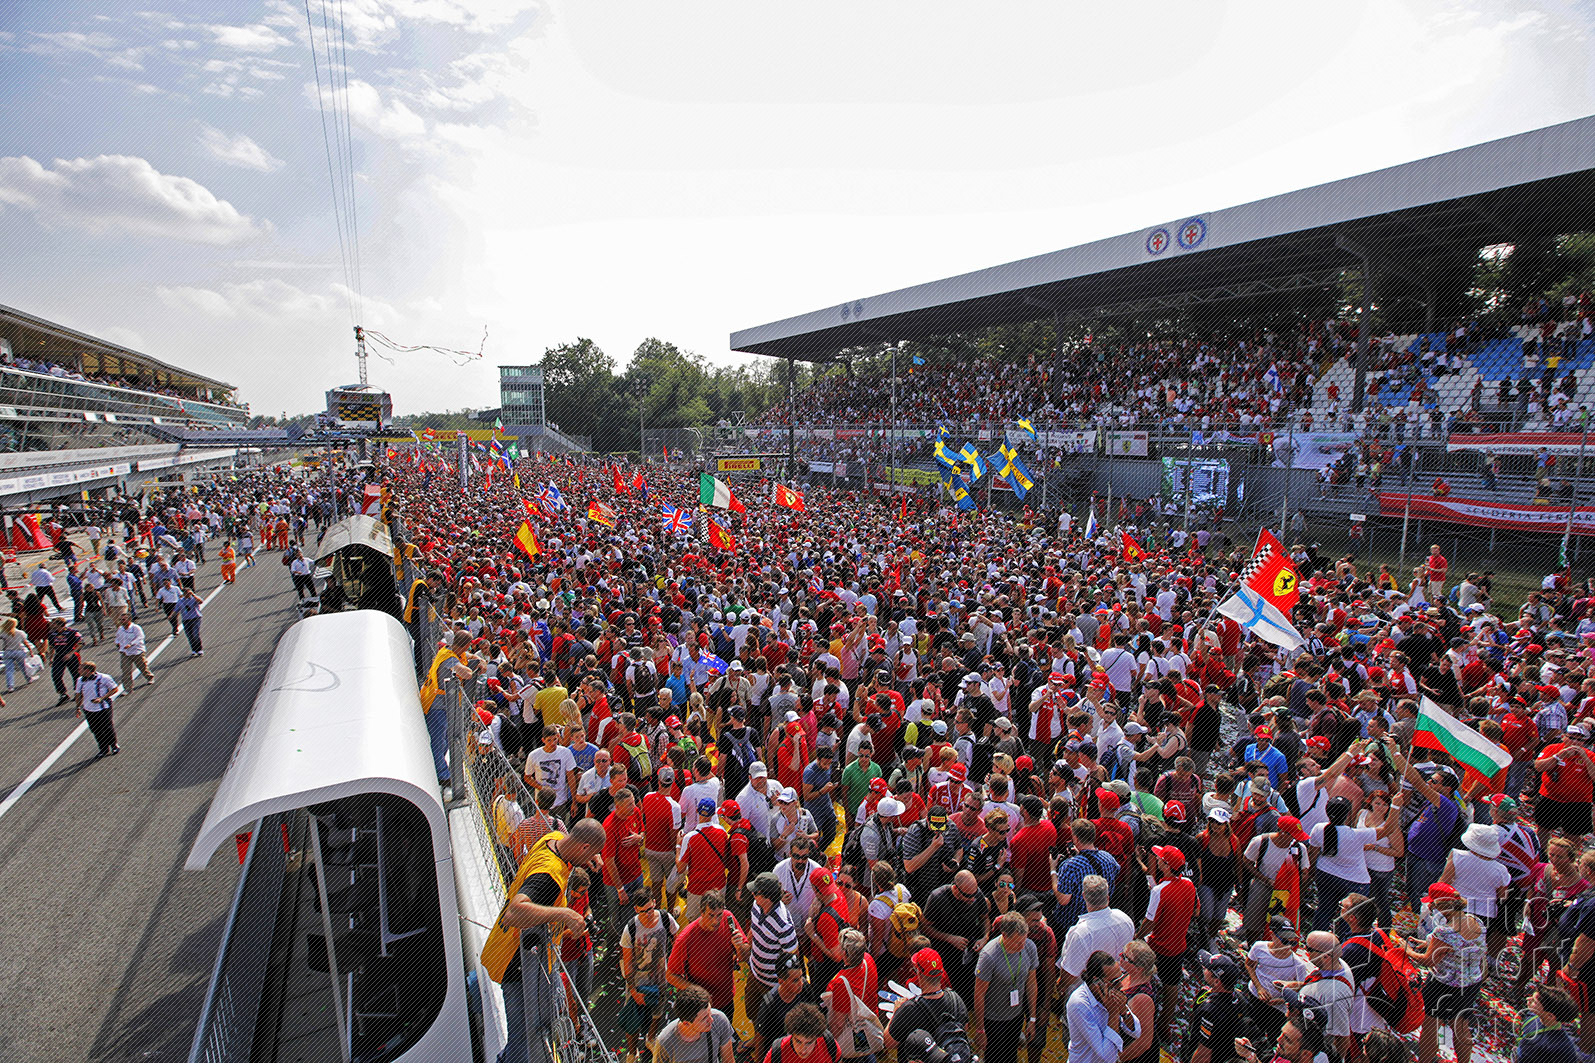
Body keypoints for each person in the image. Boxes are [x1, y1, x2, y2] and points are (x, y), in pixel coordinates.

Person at [487, 820, 607, 1063]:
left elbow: (572, 838)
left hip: (518, 952)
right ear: (583, 847)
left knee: (533, 1032)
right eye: (591, 853)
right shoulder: (549, 876)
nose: (592, 859)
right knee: (524, 1042)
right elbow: (514, 912)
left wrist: (588, 855)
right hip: (517, 965)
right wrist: (565, 914)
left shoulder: (554, 839)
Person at [1404, 883, 1486, 1063]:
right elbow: (1461, 947)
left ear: (1439, 905)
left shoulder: (1445, 931)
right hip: (1470, 983)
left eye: (1433, 904)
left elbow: (1428, 960)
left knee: (1430, 1025)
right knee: (1461, 1025)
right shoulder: (1475, 921)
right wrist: (1430, 943)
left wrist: (1407, 950)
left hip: (1443, 984)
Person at [667, 890, 749, 1016]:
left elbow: (745, 956)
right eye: (711, 915)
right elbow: (671, 975)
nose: (716, 921)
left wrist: (740, 947)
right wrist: (698, 992)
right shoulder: (686, 938)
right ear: (702, 912)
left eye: (719, 915)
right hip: (699, 1008)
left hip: (726, 1001)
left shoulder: (728, 919)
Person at [971, 912, 1039, 1063]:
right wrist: (980, 1029)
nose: (1022, 946)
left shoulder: (1029, 947)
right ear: (1004, 936)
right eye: (1017, 942)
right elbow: (979, 994)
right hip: (993, 1021)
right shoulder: (989, 955)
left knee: (1011, 1057)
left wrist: (1032, 1018)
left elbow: (1031, 983)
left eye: (1024, 940)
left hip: (1016, 1016)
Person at [619, 891, 678, 1063]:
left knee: (657, 1011)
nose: (648, 914)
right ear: (636, 909)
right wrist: (633, 990)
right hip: (638, 981)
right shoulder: (630, 929)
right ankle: (632, 1052)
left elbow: (677, 941)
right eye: (643, 911)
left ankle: (650, 1038)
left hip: (660, 978)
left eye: (650, 909)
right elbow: (627, 963)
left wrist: (674, 967)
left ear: (654, 902)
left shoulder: (665, 919)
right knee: (633, 1018)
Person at [1057, 874, 1135, 1000]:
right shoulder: (1125, 919)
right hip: (1120, 992)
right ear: (1107, 897)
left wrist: (1058, 989)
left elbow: (1069, 975)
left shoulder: (1080, 932)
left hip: (1088, 999)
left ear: (1084, 896)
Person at [883, 948, 970, 1060]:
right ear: (941, 972)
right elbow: (964, 1028)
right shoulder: (955, 999)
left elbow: (888, 1042)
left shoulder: (909, 1009)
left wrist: (896, 1012)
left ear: (918, 973)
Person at [924, 869, 990, 1002]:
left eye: (974, 894)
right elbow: (925, 927)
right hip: (946, 956)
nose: (972, 899)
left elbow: (985, 918)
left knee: (968, 996)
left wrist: (985, 938)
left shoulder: (976, 893)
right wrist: (949, 938)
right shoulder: (937, 897)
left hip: (969, 955)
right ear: (955, 889)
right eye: (968, 896)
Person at [1065, 950, 1139, 1063]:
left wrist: (1124, 1011)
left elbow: (1136, 1032)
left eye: (1121, 978)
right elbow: (1106, 1056)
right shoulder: (1079, 1004)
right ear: (1097, 981)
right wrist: (1113, 1013)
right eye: (1115, 981)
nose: (1120, 985)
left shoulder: (1109, 996)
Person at [747, 873, 800, 1022]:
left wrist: (783, 988)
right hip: (754, 973)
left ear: (767, 898)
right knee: (751, 1013)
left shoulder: (783, 924)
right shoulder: (756, 905)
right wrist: (745, 945)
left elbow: (793, 957)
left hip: (771, 985)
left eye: (756, 893)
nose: (752, 894)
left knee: (767, 1023)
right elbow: (753, 928)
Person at [654, 985, 735, 1063]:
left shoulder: (719, 1019)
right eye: (704, 1018)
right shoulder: (665, 1041)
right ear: (686, 1024)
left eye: (710, 1012)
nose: (711, 1019)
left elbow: (728, 1061)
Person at [1189, 950, 1244, 1063]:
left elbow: (1203, 1055)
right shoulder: (1240, 997)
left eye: (1207, 968)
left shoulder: (1210, 1010)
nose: (1204, 969)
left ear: (1217, 981)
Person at [1516, 984, 1578, 1063]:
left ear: (1550, 1016)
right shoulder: (1533, 1015)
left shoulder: (1561, 1048)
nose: (1528, 999)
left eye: (1534, 1001)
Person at [74, 659, 121, 758]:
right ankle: (103, 748)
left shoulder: (104, 678)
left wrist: (102, 698)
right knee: (95, 729)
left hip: (103, 708)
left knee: (107, 727)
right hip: (88, 709)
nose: (78, 671)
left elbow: (114, 689)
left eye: (80, 669)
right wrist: (78, 707)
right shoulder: (80, 680)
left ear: (87, 670)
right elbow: (78, 694)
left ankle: (114, 745)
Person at [45, 616, 83, 706]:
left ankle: (78, 692)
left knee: (76, 675)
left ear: (59, 624)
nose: (51, 625)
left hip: (72, 655)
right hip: (59, 656)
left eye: (53, 623)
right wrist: (51, 658)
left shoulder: (72, 632)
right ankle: (63, 694)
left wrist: (70, 653)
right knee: (56, 674)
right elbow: (51, 646)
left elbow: (81, 643)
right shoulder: (51, 634)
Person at [113, 613, 155, 689]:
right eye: (120, 619)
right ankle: (128, 688)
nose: (121, 621)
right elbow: (117, 638)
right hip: (125, 652)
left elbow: (140, 637)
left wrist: (131, 644)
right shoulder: (120, 629)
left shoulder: (136, 628)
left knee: (142, 667)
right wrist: (117, 643)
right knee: (126, 671)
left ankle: (149, 677)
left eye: (123, 619)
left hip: (137, 652)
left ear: (129, 620)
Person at [1, 616, 37, 693]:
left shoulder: (3, 633)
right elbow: (25, 642)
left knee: (9, 670)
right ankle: (29, 679)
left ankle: (10, 686)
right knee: (24, 667)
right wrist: (30, 651)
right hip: (19, 651)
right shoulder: (20, 633)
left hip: (8, 652)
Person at [175, 585, 204, 656]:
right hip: (186, 619)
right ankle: (194, 650)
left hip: (195, 618)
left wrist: (193, 594)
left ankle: (199, 649)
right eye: (186, 593)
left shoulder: (194, 598)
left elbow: (200, 601)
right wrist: (172, 616)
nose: (188, 594)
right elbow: (176, 610)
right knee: (189, 635)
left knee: (195, 634)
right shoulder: (180, 601)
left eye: (189, 593)